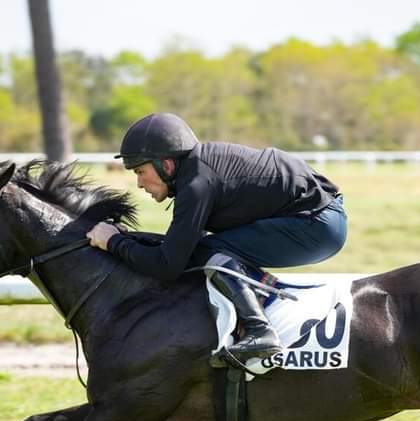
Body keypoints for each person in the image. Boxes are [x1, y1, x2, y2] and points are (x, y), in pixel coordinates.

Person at [86, 112, 347, 364]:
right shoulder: (196, 171)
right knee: (204, 250)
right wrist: (131, 239)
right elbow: (178, 248)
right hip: (318, 217)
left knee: (210, 251)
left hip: (319, 223)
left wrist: (113, 243)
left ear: (165, 165)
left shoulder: (197, 184)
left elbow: (168, 265)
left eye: (140, 172)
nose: (140, 183)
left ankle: (259, 330)